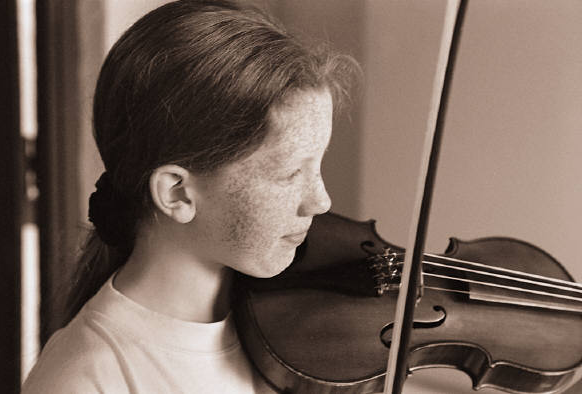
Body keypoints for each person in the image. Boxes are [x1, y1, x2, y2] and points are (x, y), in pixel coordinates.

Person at [22, 0, 357, 392]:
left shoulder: (298, 330)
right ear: (177, 193)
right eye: (290, 174)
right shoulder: (87, 379)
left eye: (317, 166)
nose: (321, 201)